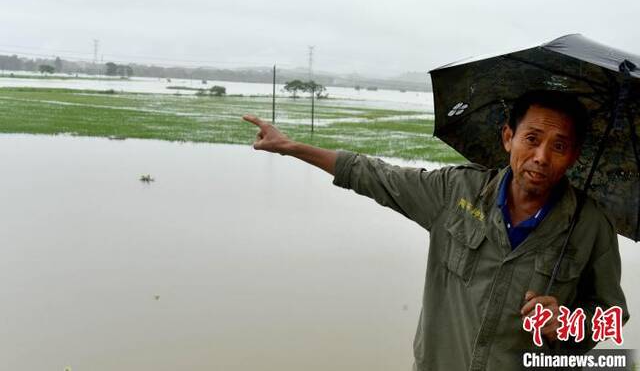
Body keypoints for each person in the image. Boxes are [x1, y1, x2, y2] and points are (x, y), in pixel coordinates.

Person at [242, 90, 629, 370]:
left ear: (575, 155)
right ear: (508, 137)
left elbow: (612, 315)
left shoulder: (590, 226)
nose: (542, 157)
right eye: (532, 139)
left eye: (559, 146)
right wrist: (291, 147)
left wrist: (568, 324)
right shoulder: (455, 192)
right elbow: (375, 174)